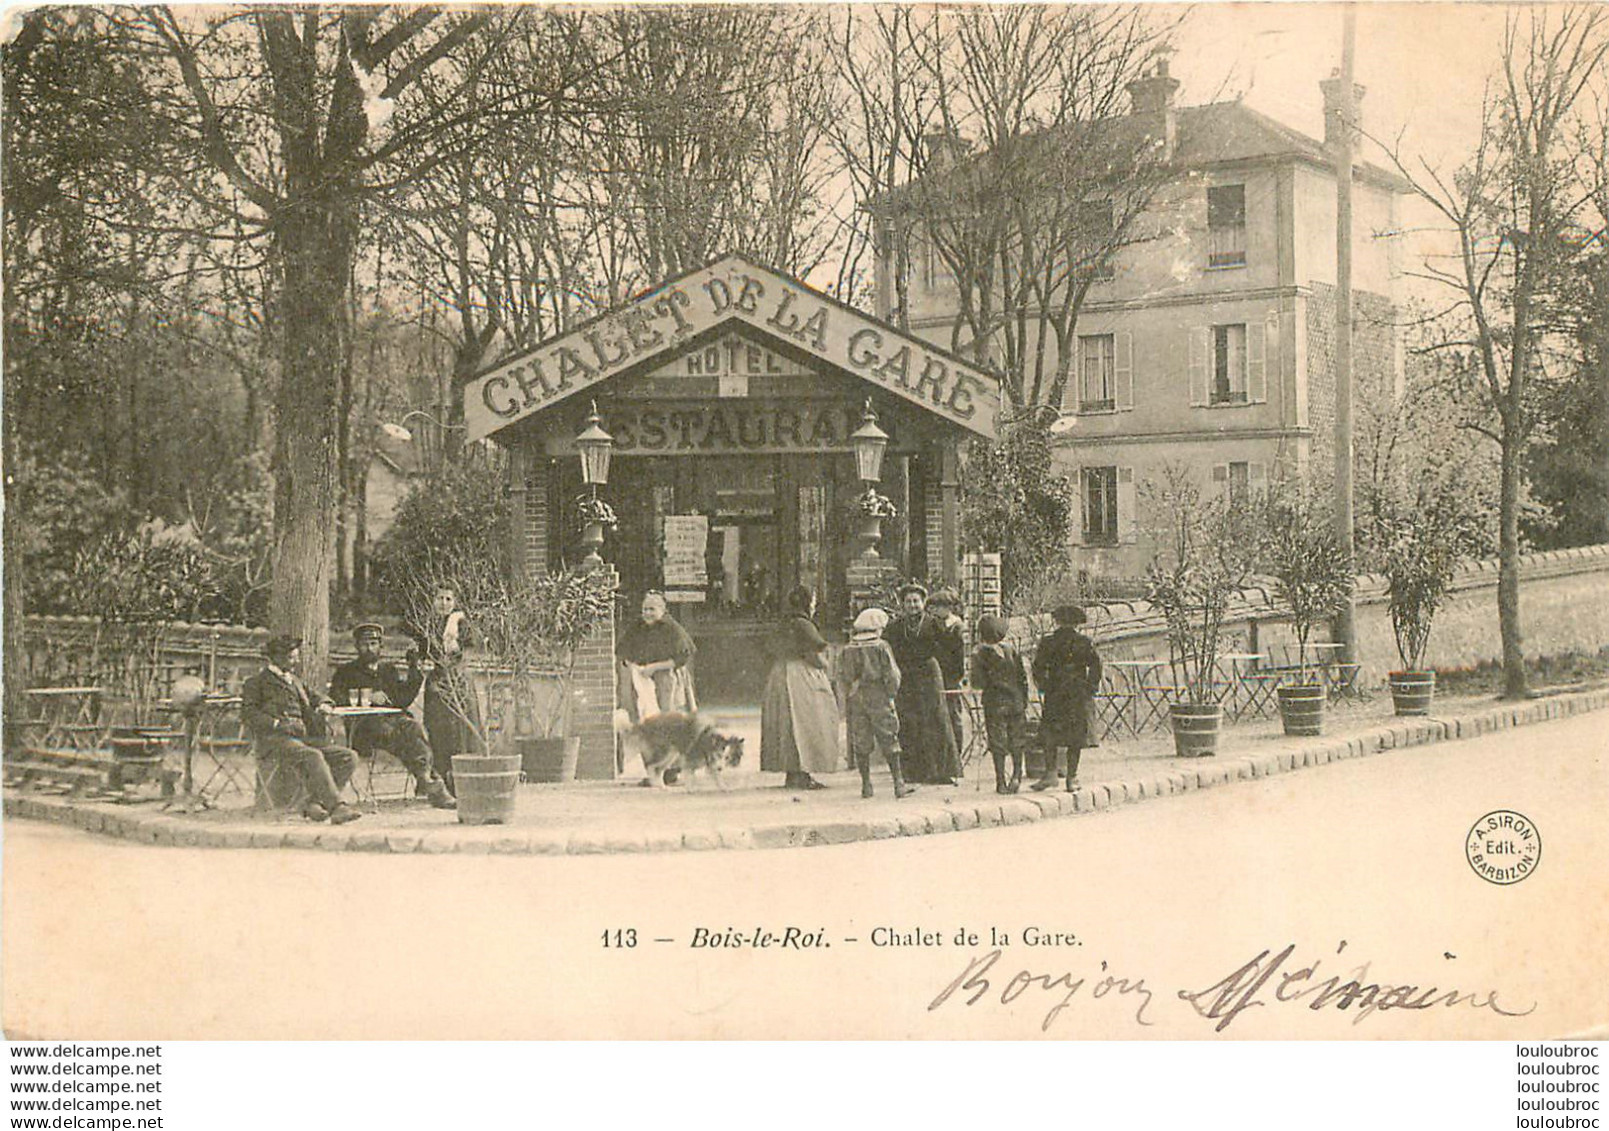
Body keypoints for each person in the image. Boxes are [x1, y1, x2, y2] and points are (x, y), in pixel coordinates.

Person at [328, 623, 456, 810]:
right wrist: (368, 696)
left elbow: (401, 700)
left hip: (394, 723)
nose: (369, 648)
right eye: (364, 644)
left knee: (415, 728)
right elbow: (336, 697)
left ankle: (426, 779)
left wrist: (415, 669)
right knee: (399, 736)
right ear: (357, 646)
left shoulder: (388, 670)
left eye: (373, 643)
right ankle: (432, 785)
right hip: (364, 728)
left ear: (381, 646)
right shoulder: (346, 672)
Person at [240, 634, 362, 825]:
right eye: (291, 657)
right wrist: (277, 724)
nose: (295, 661)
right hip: (274, 742)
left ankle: (312, 802)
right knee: (312, 756)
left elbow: (319, 697)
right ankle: (337, 807)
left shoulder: (295, 681)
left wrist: (325, 705)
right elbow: (248, 714)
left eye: (296, 656)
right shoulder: (256, 683)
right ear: (276, 658)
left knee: (348, 757)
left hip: (301, 739)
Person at [760, 586, 843, 790]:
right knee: (806, 722)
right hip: (800, 675)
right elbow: (812, 654)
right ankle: (802, 773)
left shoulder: (783, 623)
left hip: (779, 673)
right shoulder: (804, 624)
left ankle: (792, 772)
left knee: (787, 724)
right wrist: (826, 666)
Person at [884, 583, 961, 786]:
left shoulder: (934, 624)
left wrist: (951, 675)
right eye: (908, 601)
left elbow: (947, 649)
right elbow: (886, 650)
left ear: (923, 603)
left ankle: (939, 772)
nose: (912, 605)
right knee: (909, 721)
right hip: (906, 678)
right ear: (903, 604)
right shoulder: (895, 626)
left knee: (934, 720)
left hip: (929, 674)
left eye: (916, 601)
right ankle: (912, 772)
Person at [837, 607, 914, 799]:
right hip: (878, 694)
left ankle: (866, 785)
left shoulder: (848, 649)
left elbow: (843, 676)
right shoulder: (881, 647)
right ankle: (898, 783)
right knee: (889, 737)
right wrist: (891, 694)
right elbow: (892, 674)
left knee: (861, 739)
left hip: (856, 696)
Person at [414, 586, 483, 795]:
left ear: (455, 602)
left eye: (448, 599)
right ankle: (440, 782)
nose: (443, 603)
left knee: (459, 732)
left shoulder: (461, 624)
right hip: (436, 683)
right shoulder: (427, 624)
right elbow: (421, 652)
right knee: (437, 729)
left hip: (458, 683)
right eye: (439, 598)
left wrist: (453, 673)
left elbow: (469, 652)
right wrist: (420, 662)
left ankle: (462, 783)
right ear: (433, 601)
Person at [1031, 605, 1103, 792]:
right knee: (1075, 737)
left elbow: (1037, 667)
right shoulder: (1084, 642)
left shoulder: (1048, 642)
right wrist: (1090, 687)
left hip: (1056, 693)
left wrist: (1043, 685)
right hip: (1077, 693)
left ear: (1058, 621)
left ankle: (1050, 774)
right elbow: (1096, 666)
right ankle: (1072, 778)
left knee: (1050, 735)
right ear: (1077, 623)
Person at [970, 614, 1030, 795]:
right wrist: (1024, 699)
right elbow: (1022, 678)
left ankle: (1002, 781)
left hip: (996, 704)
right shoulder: (1011, 650)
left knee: (999, 741)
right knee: (1015, 739)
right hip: (1013, 701)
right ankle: (1015, 775)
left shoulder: (979, 654)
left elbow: (977, 683)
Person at [617, 591, 698, 722]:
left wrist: (654, 667)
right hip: (641, 677)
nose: (647, 613)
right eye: (645, 609)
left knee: (666, 715)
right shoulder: (638, 626)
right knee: (641, 711)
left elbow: (682, 657)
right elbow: (623, 651)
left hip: (666, 676)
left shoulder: (672, 628)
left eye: (652, 609)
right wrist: (635, 667)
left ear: (662, 610)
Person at [927, 588, 967, 752]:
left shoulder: (957, 626)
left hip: (952, 675)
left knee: (954, 714)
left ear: (948, 607)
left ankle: (957, 751)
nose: (934, 611)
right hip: (936, 674)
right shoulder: (933, 624)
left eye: (938, 607)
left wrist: (958, 676)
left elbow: (960, 655)